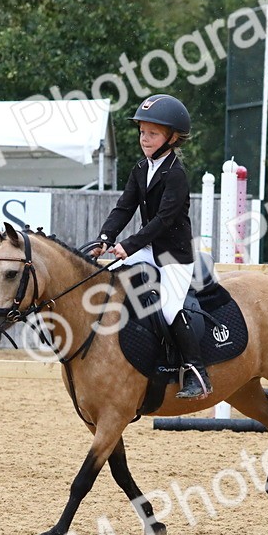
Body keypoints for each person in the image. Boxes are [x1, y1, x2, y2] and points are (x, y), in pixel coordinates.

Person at [91, 94, 211, 400]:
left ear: (172, 137)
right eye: (143, 132)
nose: (145, 139)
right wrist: (105, 238)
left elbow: (163, 220)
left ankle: (197, 372)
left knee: (170, 308)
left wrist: (128, 246)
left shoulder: (177, 175)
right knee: (108, 277)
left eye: (153, 133)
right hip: (149, 249)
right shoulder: (140, 168)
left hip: (174, 255)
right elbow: (123, 207)